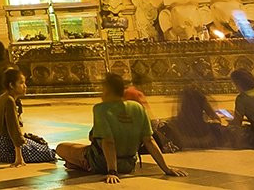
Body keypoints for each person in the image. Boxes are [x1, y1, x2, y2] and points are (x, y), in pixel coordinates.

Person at [56, 72, 186, 181]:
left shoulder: (101, 109)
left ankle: (85, 164)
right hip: (129, 164)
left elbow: (108, 142)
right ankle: (78, 164)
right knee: (75, 157)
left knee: (61, 148)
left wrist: (112, 171)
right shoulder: (137, 108)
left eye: (103, 90)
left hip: (103, 163)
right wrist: (166, 169)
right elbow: (149, 141)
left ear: (107, 91)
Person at [0, 67, 55, 165]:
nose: (25, 86)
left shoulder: (3, 97)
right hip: (8, 151)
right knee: (48, 152)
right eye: (21, 83)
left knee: (37, 143)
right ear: (11, 85)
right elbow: (14, 129)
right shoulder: (9, 101)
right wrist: (19, 158)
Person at [163, 84, 237, 150]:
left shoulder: (183, 101)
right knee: (219, 127)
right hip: (204, 137)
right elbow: (215, 118)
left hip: (183, 136)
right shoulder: (202, 99)